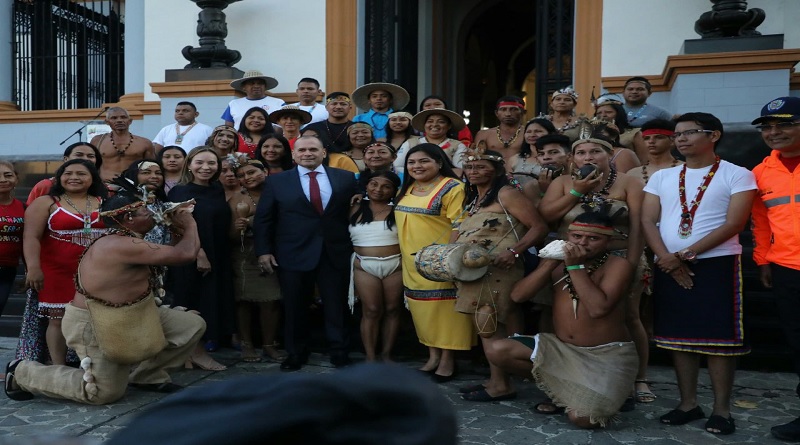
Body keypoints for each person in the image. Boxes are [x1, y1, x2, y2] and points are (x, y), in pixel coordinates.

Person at [4, 188, 206, 404]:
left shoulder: (131, 240)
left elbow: (167, 256)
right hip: (96, 323)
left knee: (190, 325)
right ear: (129, 218)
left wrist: (177, 233)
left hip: (135, 314)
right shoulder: (120, 245)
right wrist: (190, 224)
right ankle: (22, 372)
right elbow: (184, 255)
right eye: (145, 211)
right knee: (103, 393)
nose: (152, 214)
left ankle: (148, 376)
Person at [641, 112, 756, 435]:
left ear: (714, 135)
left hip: (717, 262)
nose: (680, 139)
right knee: (680, 337)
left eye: (689, 133)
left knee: (719, 340)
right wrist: (666, 258)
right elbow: (648, 221)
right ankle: (688, 403)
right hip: (667, 261)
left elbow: (734, 223)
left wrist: (685, 255)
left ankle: (722, 410)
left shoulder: (738, 174)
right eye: (677, 134)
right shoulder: (662, 177)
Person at [486, 211, 637, 428]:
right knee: (497, 350)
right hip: (562, 350)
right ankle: (563, 392)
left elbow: (597, 309)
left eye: (593, 238)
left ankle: (574, 396)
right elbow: (518, 296)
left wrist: (575, 266)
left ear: (608, 241)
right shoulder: (557, 263)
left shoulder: (618, 265)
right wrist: (548, 265)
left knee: (584, 419)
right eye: (576, 236)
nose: (582, 243)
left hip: (606, 356)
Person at [539, 127, 649, 409]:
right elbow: (547, 217)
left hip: (619, 257)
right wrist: (578, 191)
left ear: (610, 154)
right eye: (581, 152)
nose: (588, 156)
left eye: (595, 151)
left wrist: (633, 263)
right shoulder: (564, 182)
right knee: (563, 314)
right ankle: (566, 377)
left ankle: (636, 379)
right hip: (569, 259)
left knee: (629, 315)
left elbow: (638, 225)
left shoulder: (628, 182)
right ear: (573, 158)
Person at [254, 136, 358, 371]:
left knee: (336, 304)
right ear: (293, 155)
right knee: (294, 306)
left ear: (323, 153)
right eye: (302, 150)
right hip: (292, 252)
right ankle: (296, 353)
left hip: (335, 251)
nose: (307, 153)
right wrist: (263, 251)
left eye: (313, 149)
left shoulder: (345, 178)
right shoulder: (277, 182)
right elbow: (264, 220)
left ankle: (339, 351)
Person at [456, 149, 547, 402]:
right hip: (476, 271)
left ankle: (501, 386)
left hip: (499, 269)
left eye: (481, 167)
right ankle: (496, 380)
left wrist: (514, 252)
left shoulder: (506, 193)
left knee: (490, 323)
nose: (474, 171)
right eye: (470, 167)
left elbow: (539, 227)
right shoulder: (475, 198)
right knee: (487, 325)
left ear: (496, 170)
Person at [394, 143, 472, 382]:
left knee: (444, 311)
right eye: (412, 162)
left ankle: (448, 361)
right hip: (411, 259)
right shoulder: (408, 187)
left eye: (424, 161)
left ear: (439, 162)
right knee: (422, 309)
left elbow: (460, 224)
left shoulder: (452, 187)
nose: (417, 166)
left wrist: (447, 259)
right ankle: (432, 357)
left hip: (439, 261)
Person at [749, 96, 800, 441]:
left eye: (784, 124)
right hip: (787, 269)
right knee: (798, 344)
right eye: (767, 126)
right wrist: (763, 259)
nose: (774, 132)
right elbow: (761, 220)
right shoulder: (761, 172)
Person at [23, 159, 107, 365]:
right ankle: (58, 367)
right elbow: (31, 237)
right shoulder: (46, 202)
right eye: (68, 173)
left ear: (92, 178)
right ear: (60, 177)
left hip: (98, 271)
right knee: (57, 319)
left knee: (98, 318)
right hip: (56, 271)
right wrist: (33, 268)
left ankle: (94, 364)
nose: (74, 178)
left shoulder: (106, 202)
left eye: (81, 174)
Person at [167, 147, 234, 356]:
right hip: (192, 252)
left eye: (211, 163)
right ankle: (194, 343)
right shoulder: (179, 191)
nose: (206, 168)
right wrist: (199, 253)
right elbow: (178, 227)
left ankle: (216, 335)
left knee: (216, 293)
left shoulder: (217, 189)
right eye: (200, 163)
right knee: (194, 293)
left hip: (219, 249)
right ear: (189, 164)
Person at [228, 158, 284, 362]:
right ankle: (246, 344)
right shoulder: (236, 199)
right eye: (241, 176)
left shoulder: (280, 191)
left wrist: (253, 221)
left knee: (271, 300)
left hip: (276, 250)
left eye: (251, 172)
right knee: (243, 301)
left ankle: (269, 344)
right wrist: (240, 227)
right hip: (245, 253)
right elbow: (231, 236)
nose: (246, 178)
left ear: (265, 172)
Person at [349, 171, 403, 362]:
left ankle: (387, 355)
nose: (378, 190)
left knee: (392, 309)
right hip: (364, 265)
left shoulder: (399, 209)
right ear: (366, 186)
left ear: (394, 191)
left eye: (386, 186)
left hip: (395, 264)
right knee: (371, 309)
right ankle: (370, 358)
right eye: (373, 184)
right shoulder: (354, 206)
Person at [395, 109, 467, 178]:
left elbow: (459, 168)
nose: (435, 124)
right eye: (430, 121)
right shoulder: (410, 143)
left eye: (441, 122)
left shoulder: (458, 145)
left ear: (449, 126)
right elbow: (398, 166)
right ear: (424, 125)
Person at [89, 107, 155, 182]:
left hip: (134, 186)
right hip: (105, 185)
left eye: (123, 117)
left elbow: (152, 167)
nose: (119, 120)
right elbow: (90, 166)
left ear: (130, 121)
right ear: (107, 122)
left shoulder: (144, 143)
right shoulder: (97, 141)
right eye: (114, 118)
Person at [27, 142, 103, 205]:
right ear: (66, 159)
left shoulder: (105, 188)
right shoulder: (45, 185)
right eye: (79, 155)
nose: (85, 159)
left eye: (90, 156)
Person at [521, 134, 571, 207]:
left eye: (553, 152)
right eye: (541, 154)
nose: (546, 157)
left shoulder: (581, 179)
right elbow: (541, 216)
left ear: (569, 156)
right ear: (537, 160)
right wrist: (545, 192)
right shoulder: (531, 187)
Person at [0, 161, 24, 316]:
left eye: (8, 175)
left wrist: (30, 271)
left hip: (7, 271)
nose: (3, 179)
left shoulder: (25, 208)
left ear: (17, 179)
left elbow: (28, 241)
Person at [626, 119, 681, 184]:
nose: (651, 141)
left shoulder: (686, 168)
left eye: (659, 137)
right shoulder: (632, 174)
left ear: (672, 141)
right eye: (647, 138)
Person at [473, 96, 527, 163]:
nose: (508, 114)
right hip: (492, 172)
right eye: (503, 109)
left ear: (522, 112)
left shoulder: (529, 133)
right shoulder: (484, 134)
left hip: (521, 172)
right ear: (496, 113)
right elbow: (476, 159)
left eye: (513, 109)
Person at [594, 98, 647, 162]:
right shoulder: (593, 134)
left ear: (619, 114)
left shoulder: (634, 133)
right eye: (599, 113)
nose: (603, 115)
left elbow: (644, 159)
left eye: (608, 112)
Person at [512, 118, 557, 184]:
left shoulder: (557, 158)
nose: (532, 135)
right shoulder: (515, 159)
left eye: (538, 131)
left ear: (550, 133)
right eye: (528, 132)